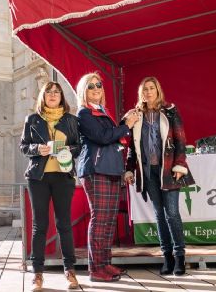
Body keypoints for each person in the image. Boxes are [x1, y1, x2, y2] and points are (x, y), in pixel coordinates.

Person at [124, 76, 195, 276]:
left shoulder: (170, 111)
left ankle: (180, 256)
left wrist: (180, 165)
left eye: (151, 88)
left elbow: (180, 140)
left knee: (172, 213)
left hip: (169, 169)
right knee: (159, 214)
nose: (148, 92)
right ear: (141, 94)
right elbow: (132, 148)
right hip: (148, 173)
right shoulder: (136, 115)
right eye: (144, 89)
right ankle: (167, 258)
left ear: (157, 90)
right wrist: (129, 169)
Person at [76, 72, 139, 282]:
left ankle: (105, 263)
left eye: (99, 85)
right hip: (96, 170)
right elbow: (103, 138)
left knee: (109, 221)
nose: (96, 89)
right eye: (91, 86)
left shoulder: (102, 111)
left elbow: (115, 138)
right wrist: (126, 125)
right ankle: (96, 269)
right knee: (100, 220)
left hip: (111, 169)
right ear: (84, 91)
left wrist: (123, 123)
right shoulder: (84, 113)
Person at [20, 81, 81, 291]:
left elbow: (79, 146)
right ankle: (37, 274)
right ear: (43, 96)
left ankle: (70, 270)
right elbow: (24, 146)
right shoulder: (33, 119)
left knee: (64, 224)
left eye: (57, 92)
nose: (53, 95)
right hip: (39, 178)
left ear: (61, 97)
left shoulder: (71, 120)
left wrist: (68, 151)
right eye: (49, 92)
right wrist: (38, 148)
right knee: (40, 226)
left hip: (63, 177)